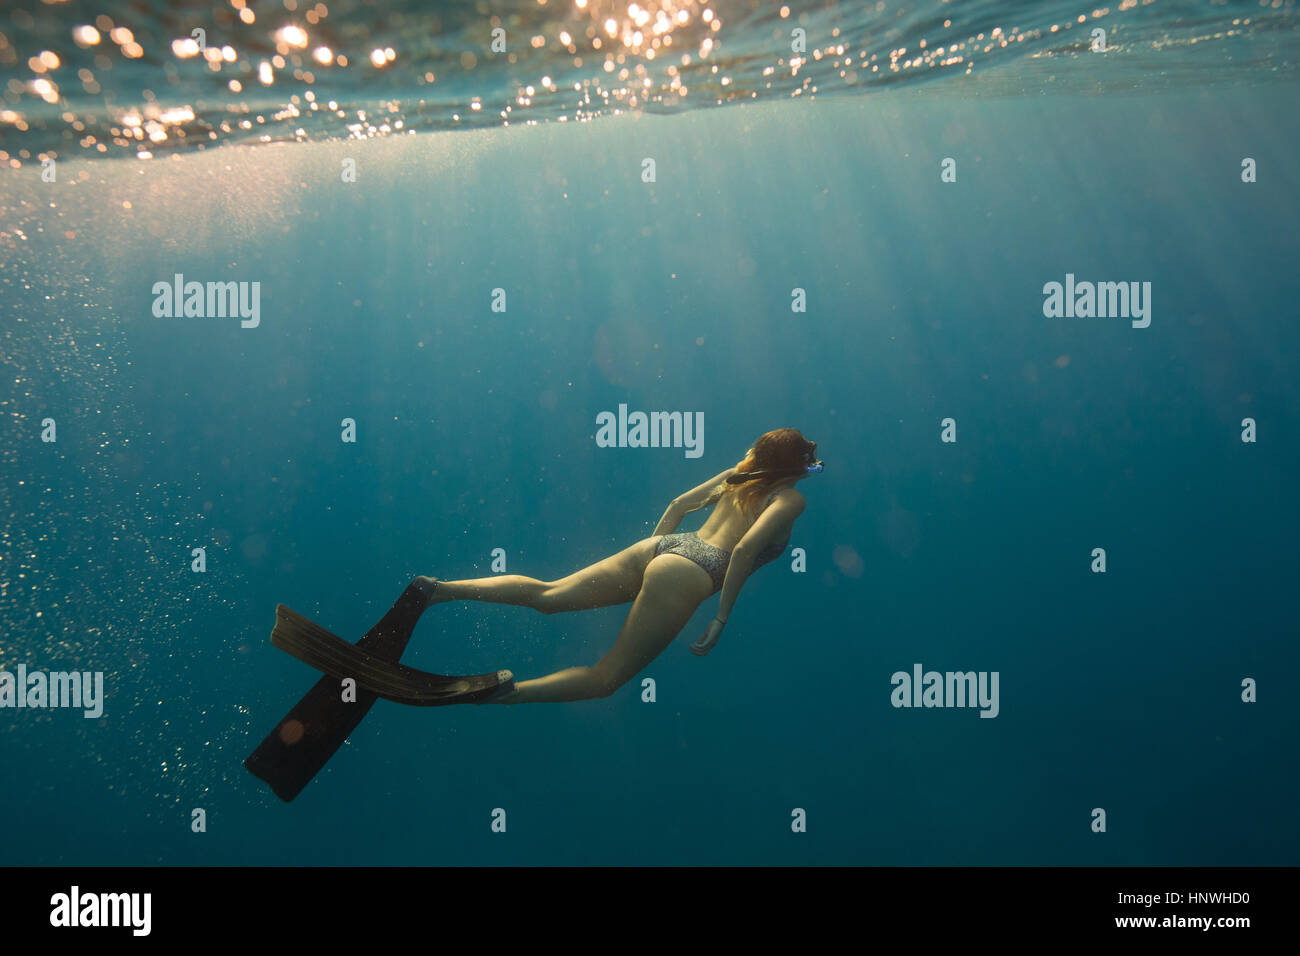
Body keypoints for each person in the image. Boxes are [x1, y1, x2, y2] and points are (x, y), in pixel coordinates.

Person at [423, 427, 822, 704]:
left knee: (548, 594)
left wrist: (659, 557)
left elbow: (679, 506)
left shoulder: (739, 474)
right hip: (692, 570)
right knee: (604, 680)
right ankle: (500, 695)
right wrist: (720, 618)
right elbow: (744, 550)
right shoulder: (789, 500)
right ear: (797, 467)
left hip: (666, 546)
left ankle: (439, 590)